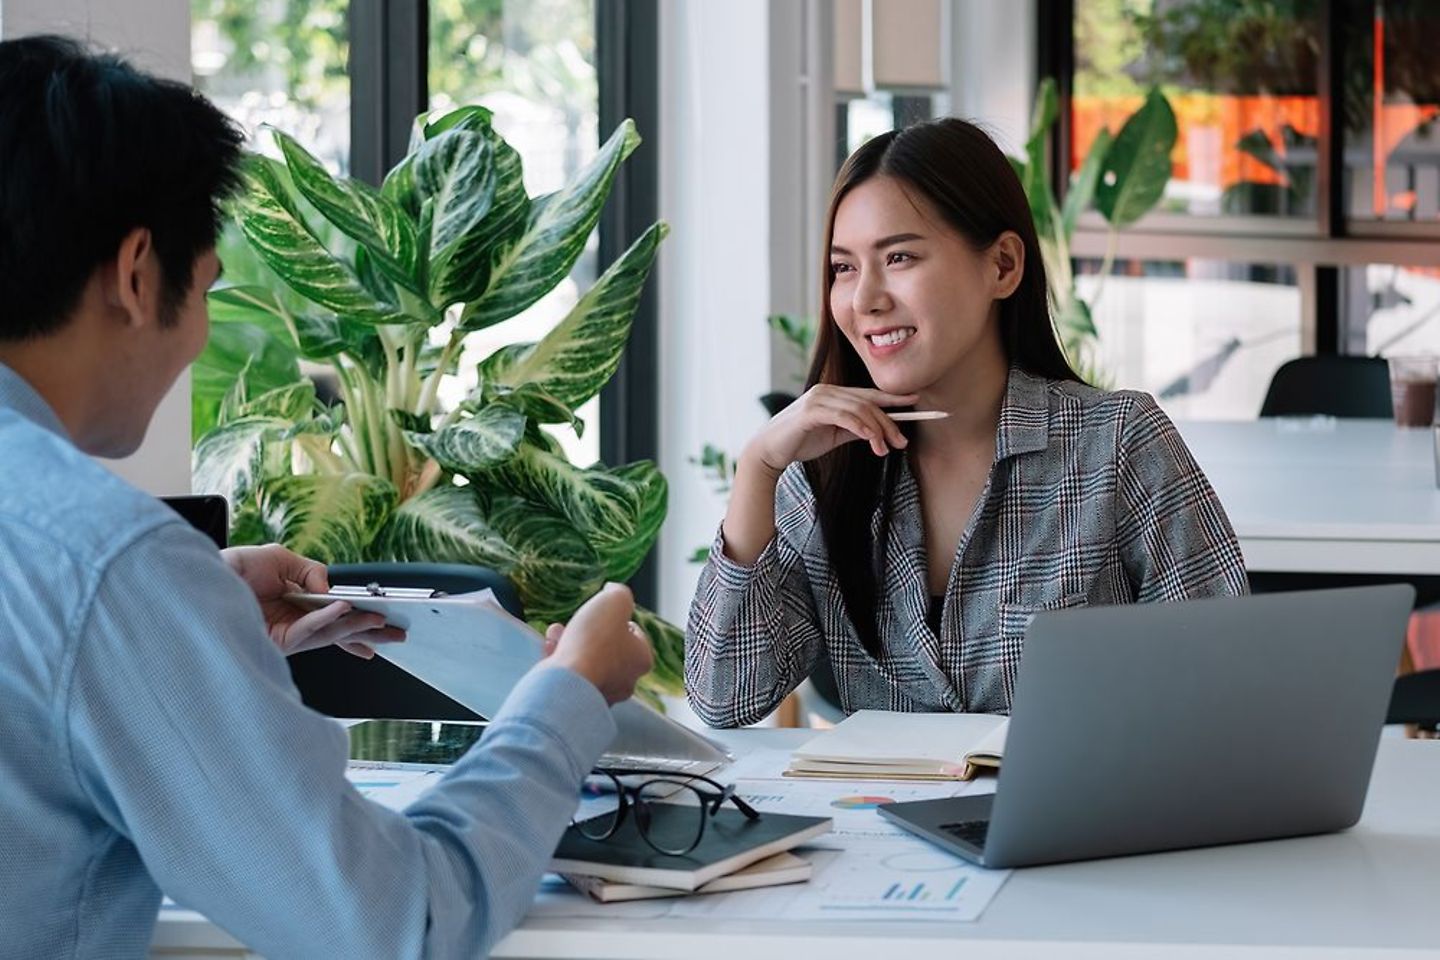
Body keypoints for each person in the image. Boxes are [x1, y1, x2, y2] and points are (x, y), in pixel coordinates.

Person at [0, 35, 652, 958]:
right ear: (139, 274)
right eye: (212, 289)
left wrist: (194, 614)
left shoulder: (98, 571)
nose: (197, 342)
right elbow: (393, 922)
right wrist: (565, 700)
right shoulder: (107, 561)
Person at [686, 117, 1247, 727]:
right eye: (843, 268)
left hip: (1073, 819)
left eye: (898, 257)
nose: (865, 298)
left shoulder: (1117, 444)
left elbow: (1225, 684)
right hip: (881, 821)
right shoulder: (825, 472)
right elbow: (726, 698)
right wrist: (758, 469)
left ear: (1002, 266)